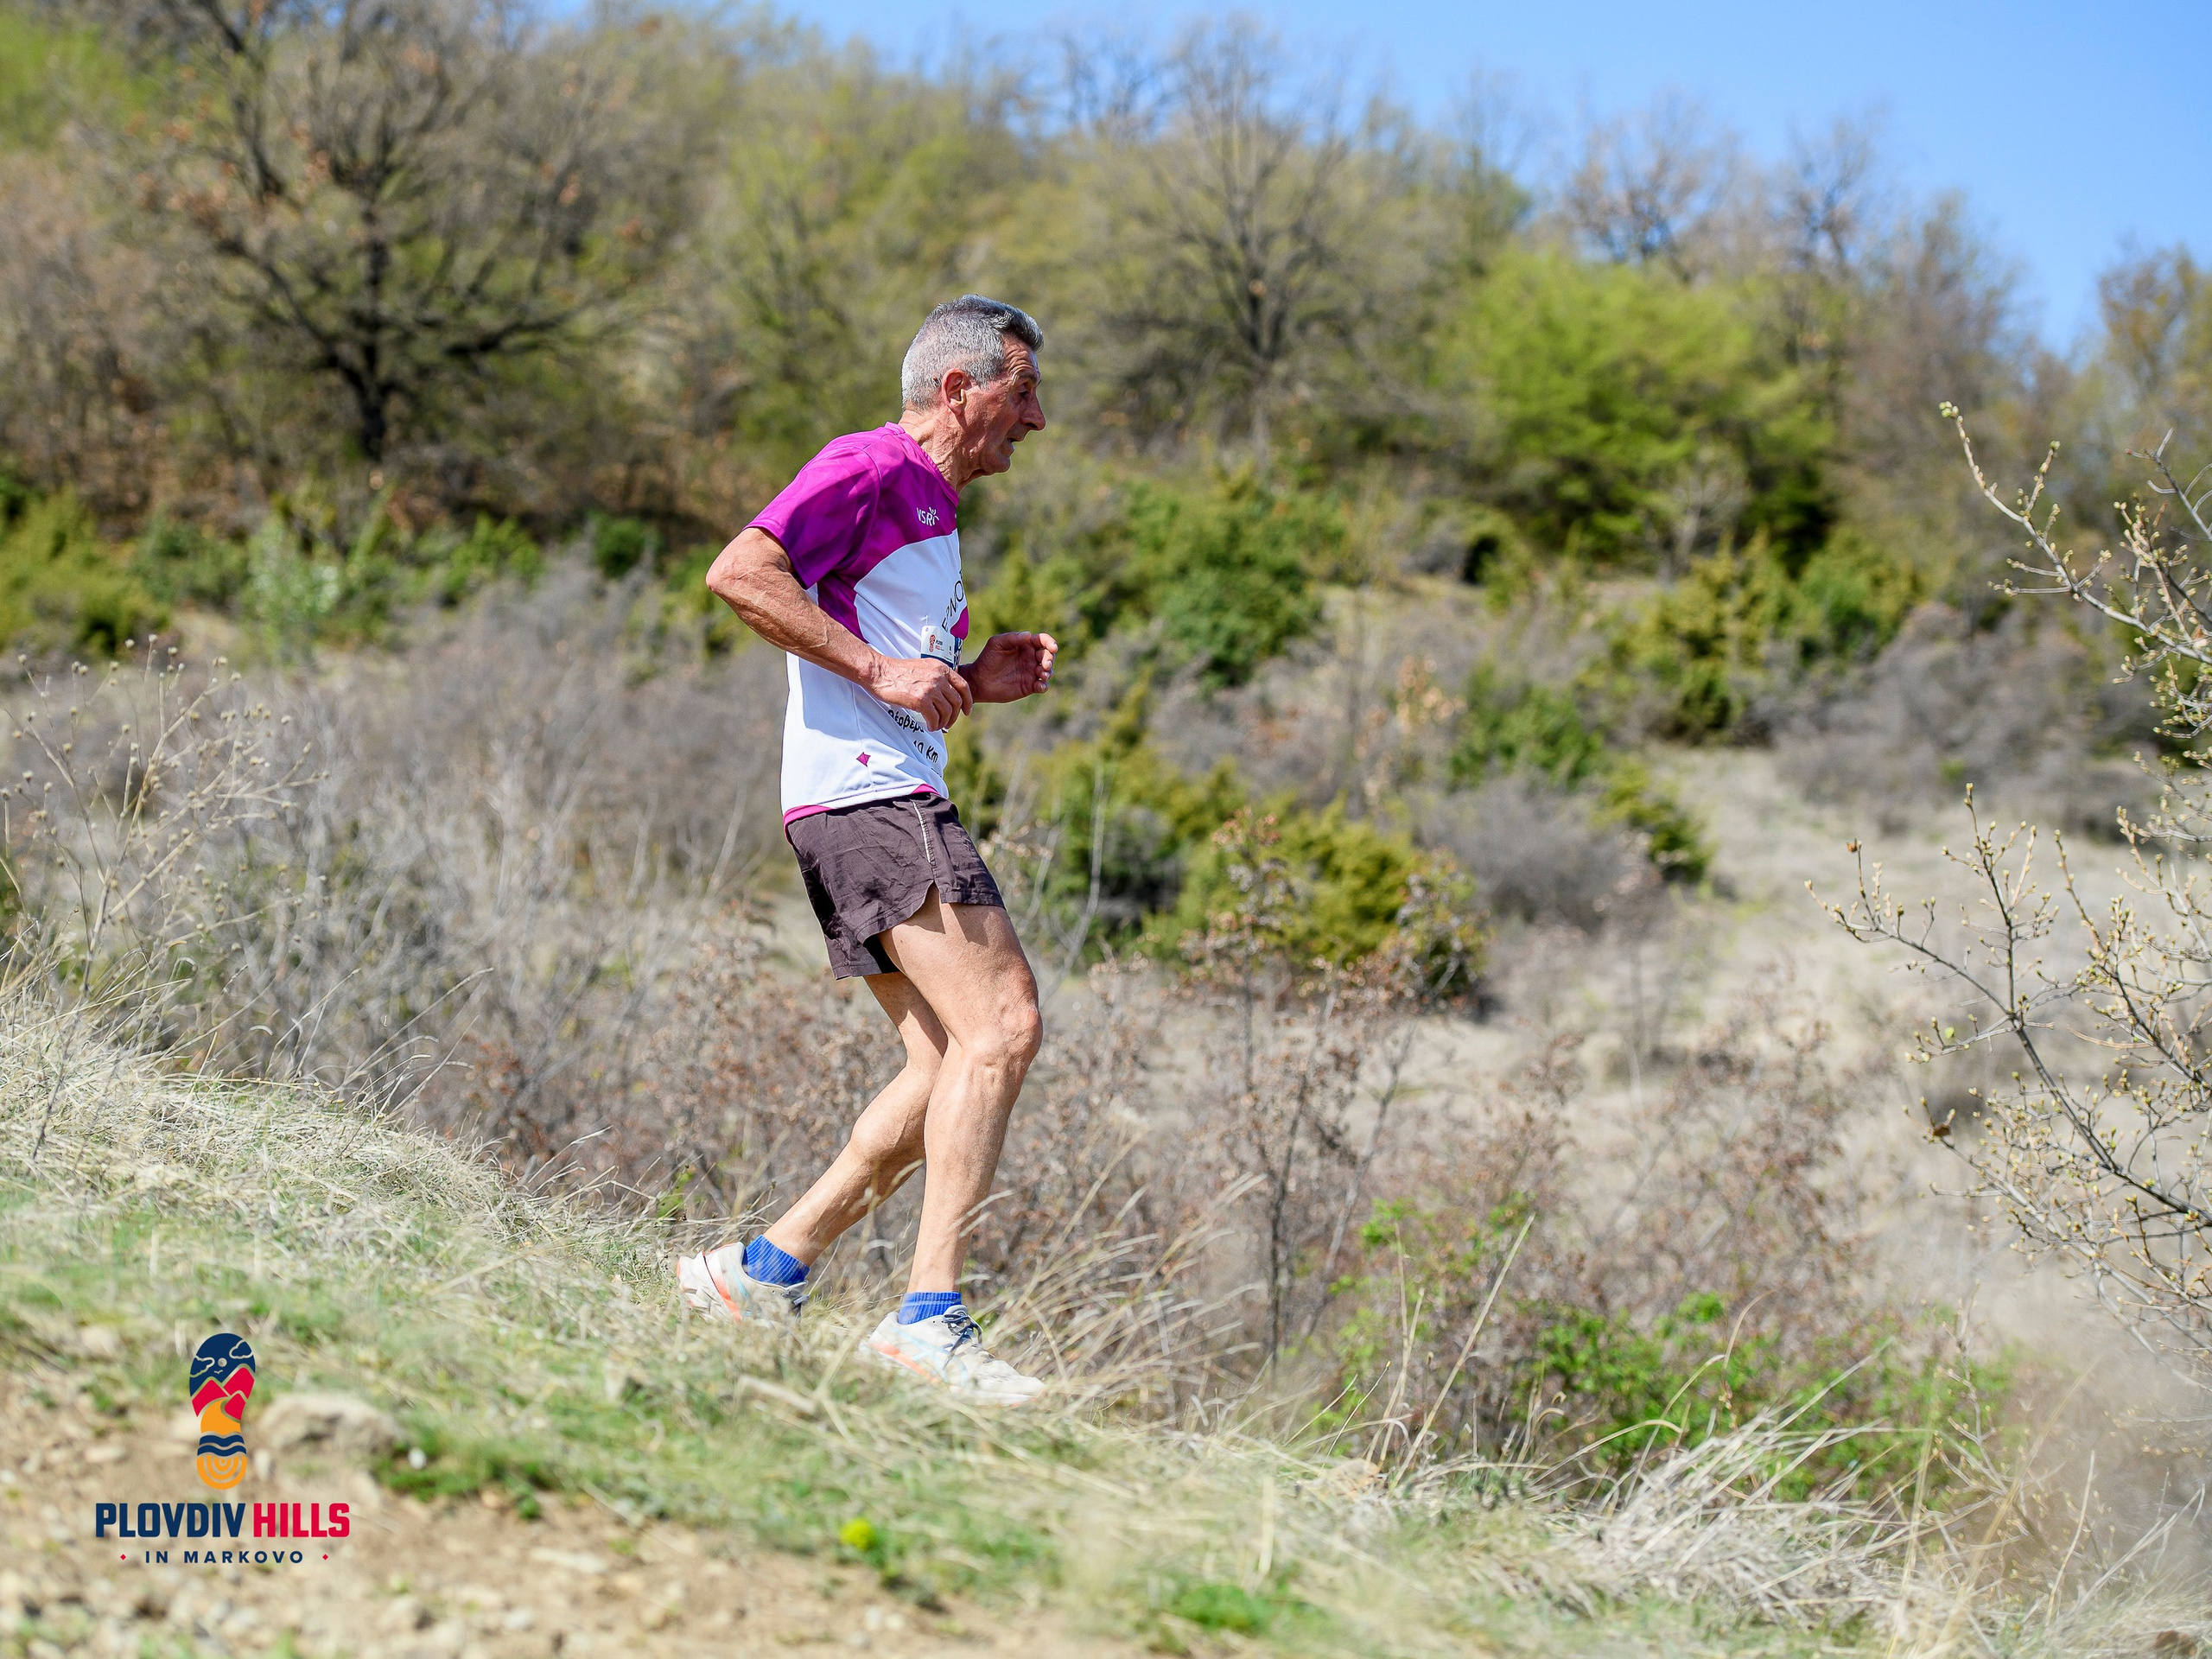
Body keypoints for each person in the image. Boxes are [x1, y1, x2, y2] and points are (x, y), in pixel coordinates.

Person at [682, 296, 1058, 1406]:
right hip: (869, 800)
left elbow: (895, 666)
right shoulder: (871, 465)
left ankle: (762, 1273)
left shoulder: (931, 509)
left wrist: (963, 677)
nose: (1035, 420)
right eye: (1022, 391)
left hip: (864, 796)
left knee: (948, 1063)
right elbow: (741, 572)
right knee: (1006, 1025)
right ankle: (927, 1324)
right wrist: (884, 671)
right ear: (958, 389)